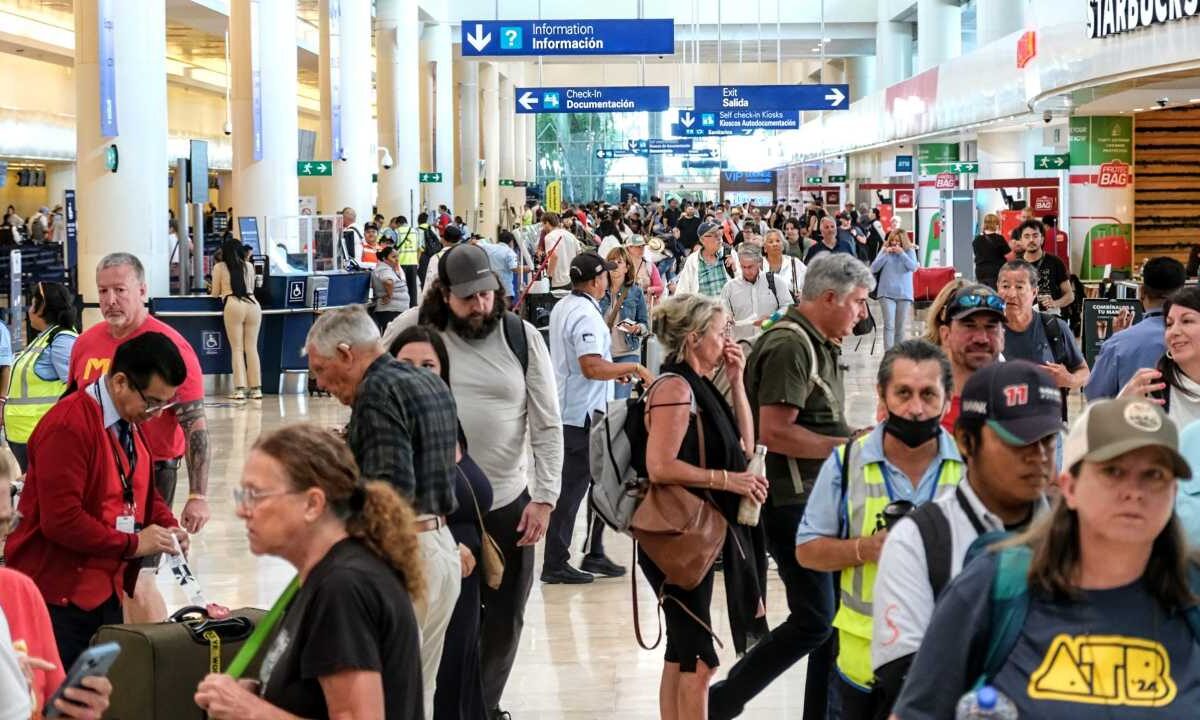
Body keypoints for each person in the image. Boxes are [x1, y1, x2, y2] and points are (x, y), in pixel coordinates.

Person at [891, 396, 1197, 719]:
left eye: (1154, 475)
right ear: (1070, 488)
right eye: (1113, 471)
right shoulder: (995, 586)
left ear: (1174, 493)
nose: (1134, 491)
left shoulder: (1192, 596)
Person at [382, 244, 562, 718]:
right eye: (468, 298)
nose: (481, 305)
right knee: (449, 625)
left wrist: (545, 497)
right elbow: (373, 387)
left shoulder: (521, 336)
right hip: (434, 512)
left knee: (506, 619)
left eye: (487, 294)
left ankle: (484, 705)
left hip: (507, 503)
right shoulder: (413, 330)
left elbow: (547, 422)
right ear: (444, 294)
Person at [713, 254, 874, 720]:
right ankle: (723, 700)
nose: (862, 313)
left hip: (817, 497)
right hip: (790, 501)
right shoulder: (790, 345)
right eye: (858, 302)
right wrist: (849, 445)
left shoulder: (818, 341)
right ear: (830, 298)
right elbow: (775, 432)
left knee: (832, 620)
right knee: (816, 619)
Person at [194, 424, 424, 720]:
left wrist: (250, 710)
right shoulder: (321, 578)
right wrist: (266, 696)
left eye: (256, 495)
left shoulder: (343, 587)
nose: (242, 510)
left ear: (313, 504)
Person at [871, 360, 1059, 715]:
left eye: (1047, 440)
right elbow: (904, 672)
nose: (1038, 457)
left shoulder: (1074, 533)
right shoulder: (921, 540)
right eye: (1018, 441)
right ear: (966, 441)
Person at [303, 305, 459, 719]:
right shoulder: (428, 382)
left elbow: (389, 492)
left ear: (346, 353)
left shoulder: (376, 391)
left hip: (402, 556)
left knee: (381, 701)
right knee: (417, 695)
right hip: (440, 548)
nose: (321, 383)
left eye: (321, 370)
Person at [793, 339, 964, 715]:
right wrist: (865, 549)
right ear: (882, 395)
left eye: (928, 394)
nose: (915, 408)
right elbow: (806, 551)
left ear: (947, 399)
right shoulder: (846, 463)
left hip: (944, 667)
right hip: (862, 670)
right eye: (903, 393)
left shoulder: (970, 469)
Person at [8, 332, 187, 667]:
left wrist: (167, 526)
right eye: (152, 402)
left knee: (100, 689)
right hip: (58, 599)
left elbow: (139, 485)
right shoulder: (68, 426)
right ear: (120, 382)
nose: (155, 413)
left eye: (164, 404)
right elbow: (62, 521)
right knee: (65, 692)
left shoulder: (128, 418)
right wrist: (134, 544)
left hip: (105, 591)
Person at [641, 293, 769, 720]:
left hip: (696, 537)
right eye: (720, 332)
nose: (727, 339)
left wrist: (737, 380)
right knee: (700, 660)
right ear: (694, 338)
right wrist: (727, 480)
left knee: (681, 653)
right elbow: (659, 466)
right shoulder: (676, 388)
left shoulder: (701, 386)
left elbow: (745, 447)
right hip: (677, 540)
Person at [68, 253, 210, 623]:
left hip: (150, 475)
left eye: (120, 290)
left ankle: (155, 651)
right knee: (108, 577)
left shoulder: (169, 346)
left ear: (143, 291)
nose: (110, 300)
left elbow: (194, 425)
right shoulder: (86, 344)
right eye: (103, 291)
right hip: (96, 474)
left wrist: (198, 495)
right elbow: (69, 404)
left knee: (139, 579)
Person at [390, 327, 489, 720]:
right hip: (418, 570)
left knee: (448, 682)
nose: (417, 373)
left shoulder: (447, 421)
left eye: (428, 365)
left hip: (456, 577)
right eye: (406, 364)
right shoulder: (384, 426)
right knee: (416, 687)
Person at [544, 254, 654, 584]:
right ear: (596, 281)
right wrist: (633, 367)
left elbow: (592, 364)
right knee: (573, 490)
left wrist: (614, 372)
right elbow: (591, 366)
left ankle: (594, 551)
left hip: (580, 410)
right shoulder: (585, 314)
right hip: (581, 417)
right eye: (605, 275)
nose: (608, 279)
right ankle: (555, 562)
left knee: (601, 484)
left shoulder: (566, 305)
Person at [1086, 257, 1187, 399]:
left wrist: (1120, 338)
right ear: (1184, 292)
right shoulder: (1193, 337)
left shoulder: (1118, 343)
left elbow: (1095, 396)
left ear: (1142, 291)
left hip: (1133, 411)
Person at [997, 260, 1089, 415]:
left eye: (1019, 287)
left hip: (1047, 423)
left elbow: (1084, 371)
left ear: (1034, 292)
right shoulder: (988, 331)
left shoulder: (1054, 328)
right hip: (1000, 424)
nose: (1011, 294)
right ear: (997, 289)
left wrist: (1069, 379)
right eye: (1005, 286)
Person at [4, 281, 77, 470]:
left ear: (42, 306)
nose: (29, 310)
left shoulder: (62, 340)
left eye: (32, 303)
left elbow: (76, 389)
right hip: (26, 436)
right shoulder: (44, 337)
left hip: (41, 436)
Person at [1119, 285, 1200, 429]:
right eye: (1169, 324)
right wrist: (1121, 408)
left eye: (1187, 321)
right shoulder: (1151, 388)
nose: (1174, 332)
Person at [933, 284, 1006, 431]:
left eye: (991, 327)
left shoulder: (1019, 411)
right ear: (945, 335)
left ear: (1003, 337)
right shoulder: (921, 411)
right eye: (969, 326)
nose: (981, 339)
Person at [211, 238, 262, 401]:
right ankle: (256, 389)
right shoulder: (249, 266)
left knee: (237, 349)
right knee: (252, 348)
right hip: (253, 304)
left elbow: (215, 293)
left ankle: (240, 389)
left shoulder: (219, 267)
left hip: (233, 304)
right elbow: (251, 288)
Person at [599, 245, 650, 401]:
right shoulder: (599, 290)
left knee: (620, 400)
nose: (615, 265)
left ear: (627, 268)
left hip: (627, 354)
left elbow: (645, 325)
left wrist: (637, 328)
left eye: (619, 262)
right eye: (611, 261)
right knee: (603, 401)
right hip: (603, 355)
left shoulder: (636, 291)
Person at [720, 244, 792, 342]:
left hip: (770, 342)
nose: (746, 271)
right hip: (743, 345)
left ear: (759, 263)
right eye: (743, 267)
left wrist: (772, 319)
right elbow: (723, 314)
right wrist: (726, 318)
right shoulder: (729, 288)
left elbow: (788, 308)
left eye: (750, 267)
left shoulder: (776, 282)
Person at [871, 229, 920, 351]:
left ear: (903, 241)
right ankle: (889, 354)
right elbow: (873, 268)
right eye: (892, 240)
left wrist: (902, 254)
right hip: (886, 293)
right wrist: (885, 254)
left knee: (900, 327)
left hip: (904, 294)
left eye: (897, 241)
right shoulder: (884, 250)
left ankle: (898, 354)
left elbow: (913, 267)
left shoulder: (909, 251)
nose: (894, 243)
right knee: (889, 325)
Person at [1016, 219, 1073, 316]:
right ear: (1021, 241)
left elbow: (1070, 295)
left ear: (1042, 239)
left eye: (1035, 236)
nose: (1031, 240)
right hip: (1024, 317)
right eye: (1027, 236)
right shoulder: (1015, 265)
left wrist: (1055, 303)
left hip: (1050, 317)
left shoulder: (1055, 262)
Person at [674, 222, 735, 298]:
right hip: (703, 305)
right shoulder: (692, 261)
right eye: (715, 235)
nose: (719, 238)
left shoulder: (729, 254)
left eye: (720, 234)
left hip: (727, 305)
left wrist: (735, 270)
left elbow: (743, 283)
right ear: (702, 240)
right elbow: (682, 291)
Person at [370, 245, 410, 332]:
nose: (397, 259)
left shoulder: (389, 268)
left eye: (397, 256)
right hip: (390, 311)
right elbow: (388, 281)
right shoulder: (384, 269)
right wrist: (389, 296)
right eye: (393, 257)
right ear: (384, 258)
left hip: (394, 310)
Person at [537, 212, 579, 291]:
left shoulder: (549, 237)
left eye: (543, 224)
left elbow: (554, 256)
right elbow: (579, 253)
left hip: (558, 280)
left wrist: (548, 276)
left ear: (547, 223)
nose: (543, 228)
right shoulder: (570, 235)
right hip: (571, 279)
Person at [763, 229, 806, 304]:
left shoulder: (794, 262)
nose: (775, 244)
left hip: (791, 308)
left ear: (782, 246)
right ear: (765, 248)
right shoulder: (759, 265)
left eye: (778, 241)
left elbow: (812, 281)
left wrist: (805, 294)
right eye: (770, 242)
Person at [624, 234, 665, 308]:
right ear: (629, 247)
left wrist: (651, 289)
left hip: (645, 306)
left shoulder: (649, 265)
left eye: (643, 246)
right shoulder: (622, 265)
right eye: (638, 246)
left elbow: (660, 287)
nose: (642, 249)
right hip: (625, 306)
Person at [972, 212, 1009, 289]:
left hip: (980, 272)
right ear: (996, 224)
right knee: (995, 293)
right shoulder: (999, 239)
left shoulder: (977, 239)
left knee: (983, 292)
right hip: (995, 273)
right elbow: (1009, 256)